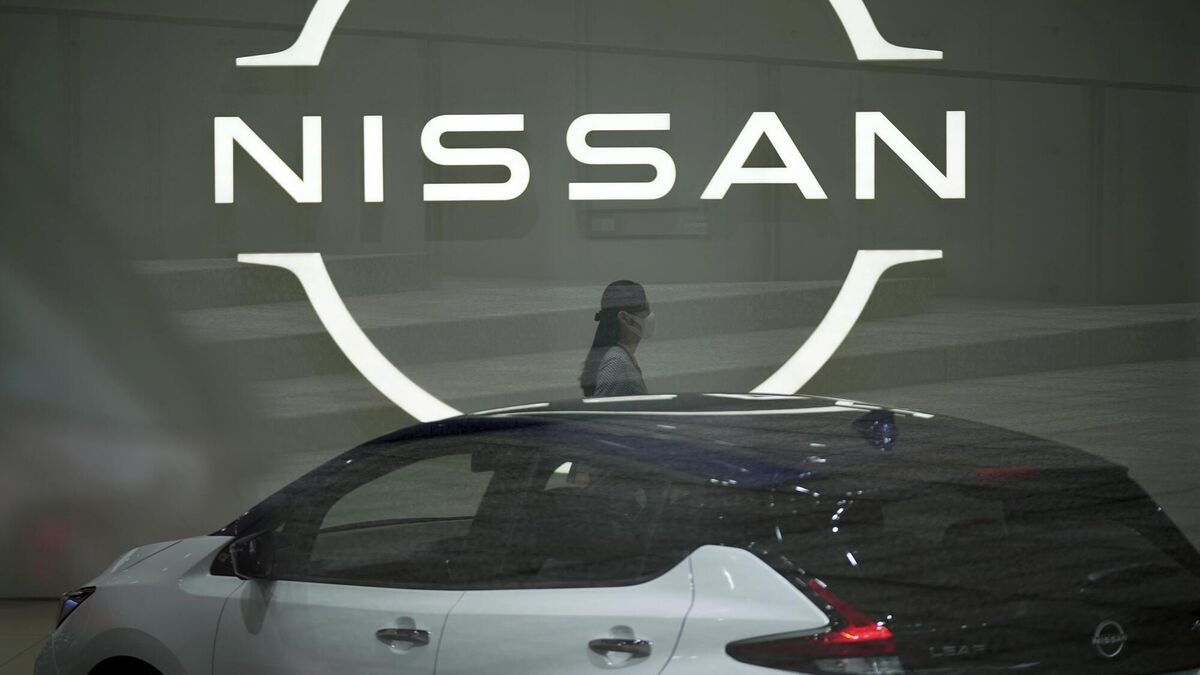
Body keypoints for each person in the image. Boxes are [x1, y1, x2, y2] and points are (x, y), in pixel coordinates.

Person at [579, 280, 656, 397]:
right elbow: (602, 408)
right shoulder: (617, 363)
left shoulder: (621, 359)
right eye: (646, 308)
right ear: (624, 318)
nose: (650, 315)